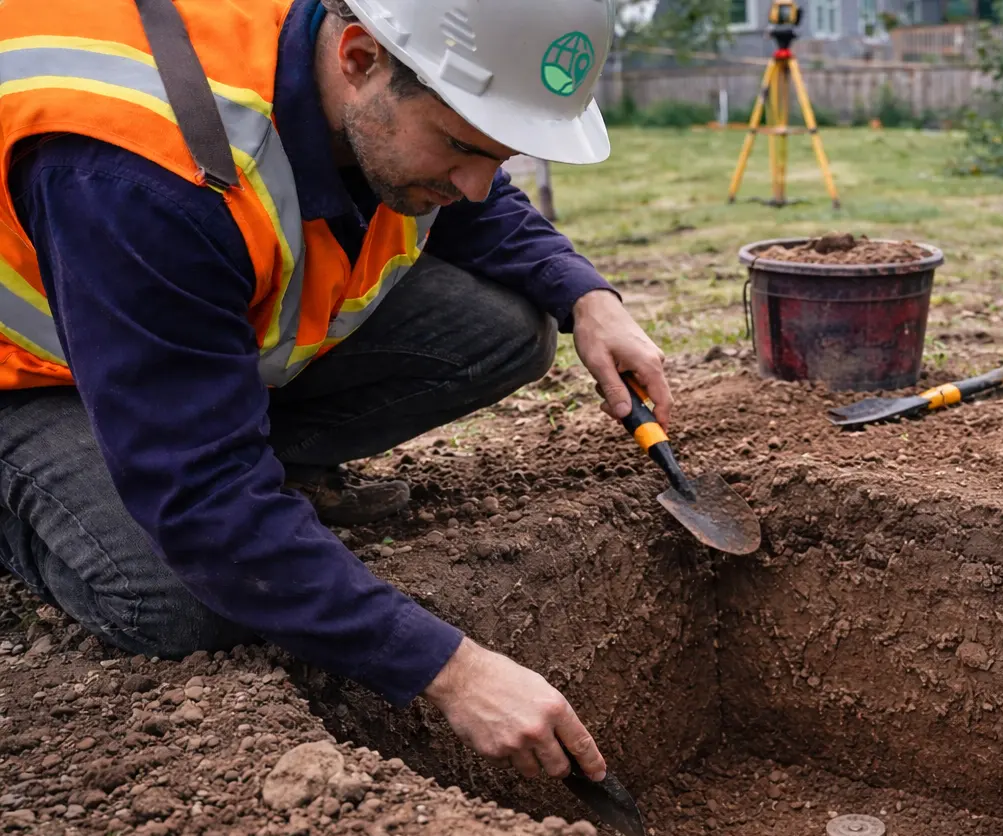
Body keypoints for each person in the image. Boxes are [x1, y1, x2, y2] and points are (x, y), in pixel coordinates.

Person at [0, 0, 669, 784]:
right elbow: (201, 502)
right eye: (460, 146)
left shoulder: (355, 71)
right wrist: (452, 670)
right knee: (184, 597)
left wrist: (587, 296)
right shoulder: (147, 172)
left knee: (511, 329)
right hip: (29, 373)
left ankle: (221, 440)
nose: (480, 186)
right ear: (358, 59)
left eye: (502, 155)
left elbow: (471, 197)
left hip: (166, 329)